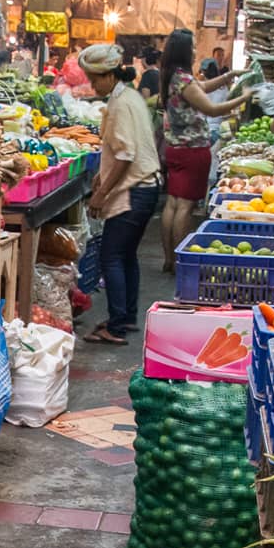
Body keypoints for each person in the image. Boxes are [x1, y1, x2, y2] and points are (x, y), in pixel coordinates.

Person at [80, 42, 161, 346]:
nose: (92, 84)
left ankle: (115, 327)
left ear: (110, 75)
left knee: (111, 256)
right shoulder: (128, 96)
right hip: (147, 186)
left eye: (95, 78)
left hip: (135, 190)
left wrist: (101, 195)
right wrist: (102, 177)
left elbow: (126, 155)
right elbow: (122, 150)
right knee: (126, 255)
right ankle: (125, 317)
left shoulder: (121, 103)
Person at [156, 28, 249, 258]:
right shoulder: (184, 79)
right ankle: (180, 259)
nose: (196, 51)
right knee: (185, 207)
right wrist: (243, 98)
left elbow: (202, 88)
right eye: (193, 47)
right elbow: (211, 108)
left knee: (173, 203)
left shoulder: (170, 75)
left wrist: (228, 77)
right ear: (184, 52)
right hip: (192, 149)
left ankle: (169, 259)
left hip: (175, 148)